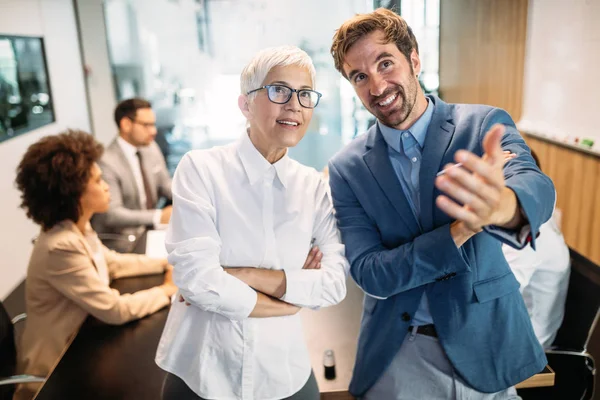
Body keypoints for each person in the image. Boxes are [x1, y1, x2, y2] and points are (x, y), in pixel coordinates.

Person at [327, 8, 556, 399]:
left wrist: (500, 207)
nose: (377, 86)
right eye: (359, 76)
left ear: (414, 59)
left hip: (487, 342)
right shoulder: (347, 167)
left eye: (386, 63)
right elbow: (370, 272)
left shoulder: (483, 125)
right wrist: (461, 229)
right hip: (400, 353)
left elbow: (535, 185)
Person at [155, 45, 349, 400]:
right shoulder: (201, 169)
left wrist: (240, 275)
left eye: (305, 94)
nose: (294, 104)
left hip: (283, 372)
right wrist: (290, 298)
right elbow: (198, 280)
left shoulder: (312, 188)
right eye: (279, 90)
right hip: (203, 370)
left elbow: (334, 284)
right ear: (245, 104)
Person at [13, 130, 178, 400]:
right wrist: (167, 289)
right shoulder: (61, 246)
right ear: (74, 192)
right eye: (98, 181)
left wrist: (163, 263)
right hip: (56, 370)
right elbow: (115, 310)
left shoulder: (76, 226)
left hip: (83, 338)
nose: (106, 187)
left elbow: (111, 263)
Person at [502, 150, 570, 348]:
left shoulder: (530, 229)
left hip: (524, 345)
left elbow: (497, 297)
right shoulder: (530, 213)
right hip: (511, 330)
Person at [91, 98, 173, 252]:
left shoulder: (150, 147)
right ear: (126, 124)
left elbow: (165, 184)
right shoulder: (107, 161)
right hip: (124, 242)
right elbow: (112, 214)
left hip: (153, 232)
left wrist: (190, 196)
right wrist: (158, 216)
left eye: (153, 124)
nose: (153, 131)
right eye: (146, 125)